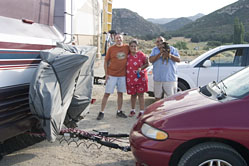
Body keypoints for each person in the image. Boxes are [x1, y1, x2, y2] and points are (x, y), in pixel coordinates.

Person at [97, 33, 129, 120]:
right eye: (117, 38)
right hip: (112, 75)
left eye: (120, 38)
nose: (118, 39)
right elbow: (106, 61)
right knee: (107, 93)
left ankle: (119, 111)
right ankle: (101, 112)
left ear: (122, 39)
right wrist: (106, 74)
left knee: (120, 94)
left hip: (122, 75)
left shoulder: (127, 47)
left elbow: (134, 52)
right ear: (114, 39)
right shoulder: (111, 49)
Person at [149, 36, 180, 101]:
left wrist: (169, 55)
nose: (160, 43)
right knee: (158, 98)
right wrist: (159, 54)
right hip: (158, 78)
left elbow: (178, 59)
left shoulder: (172, 49)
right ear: (156, 43)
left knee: (171, 98)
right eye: (157, 41)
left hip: (169, 78)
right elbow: (151, 60)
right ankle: (159, 111)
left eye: (161, 41)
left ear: (165, 42)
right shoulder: (154, 50)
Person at [126, 39, 149, 118]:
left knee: (141, 95)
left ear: (137, 47)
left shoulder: (142, 55)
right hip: (131, 78)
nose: (133, 48)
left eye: (135, 46)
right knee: (133, 95)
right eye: (131, 46)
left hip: (140, 77)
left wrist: (141, 68)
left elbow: (147, 64)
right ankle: (133, 110)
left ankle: (142, 111)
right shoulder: (127, 56)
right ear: (129, 47)